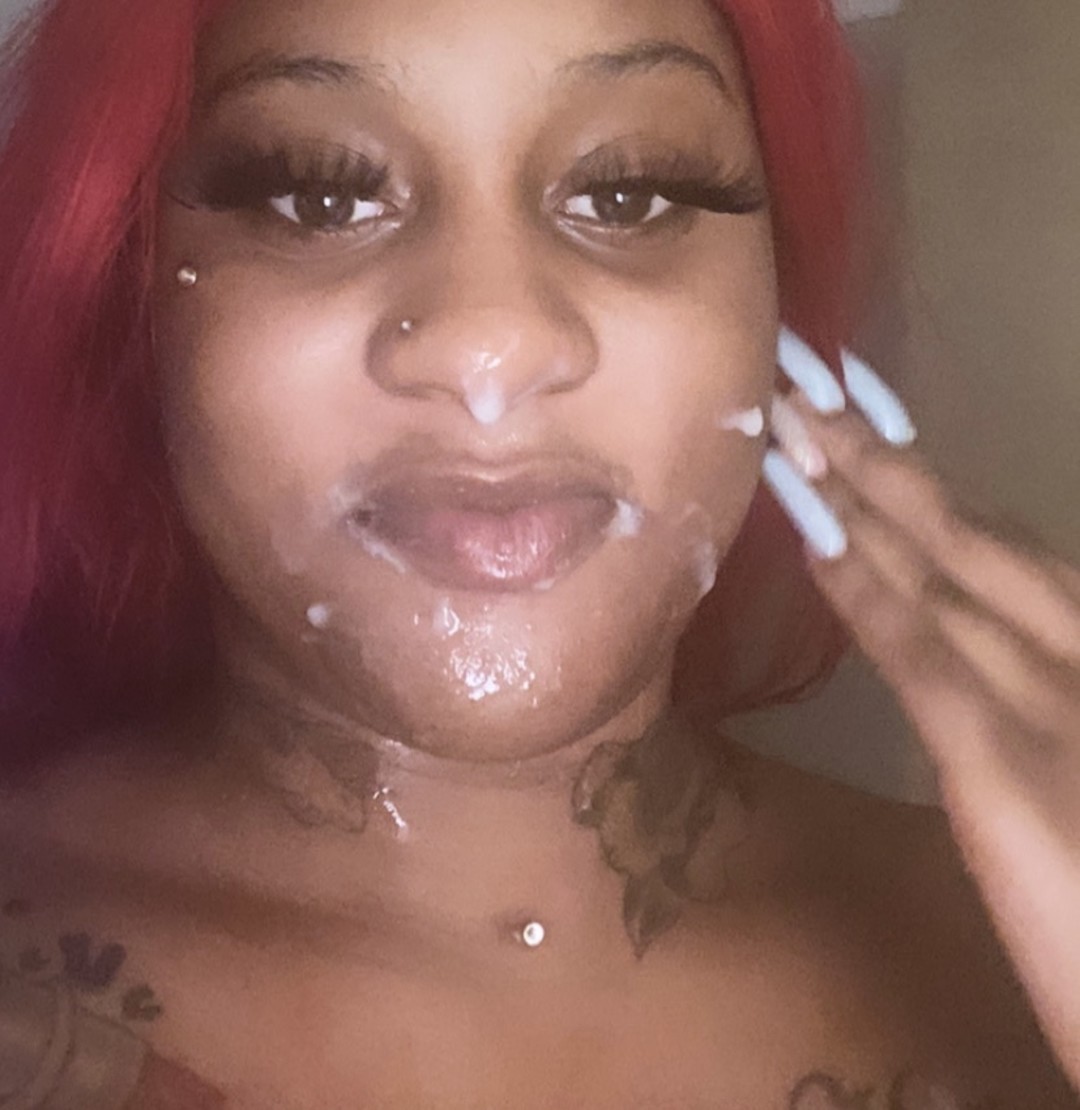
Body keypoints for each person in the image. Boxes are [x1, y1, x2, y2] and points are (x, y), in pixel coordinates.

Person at [0, 0, 1078, 1106]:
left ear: (772, 320)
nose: (490, 344)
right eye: (321, 195)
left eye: (629, 192)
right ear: (133, 290)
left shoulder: (1021, 949)